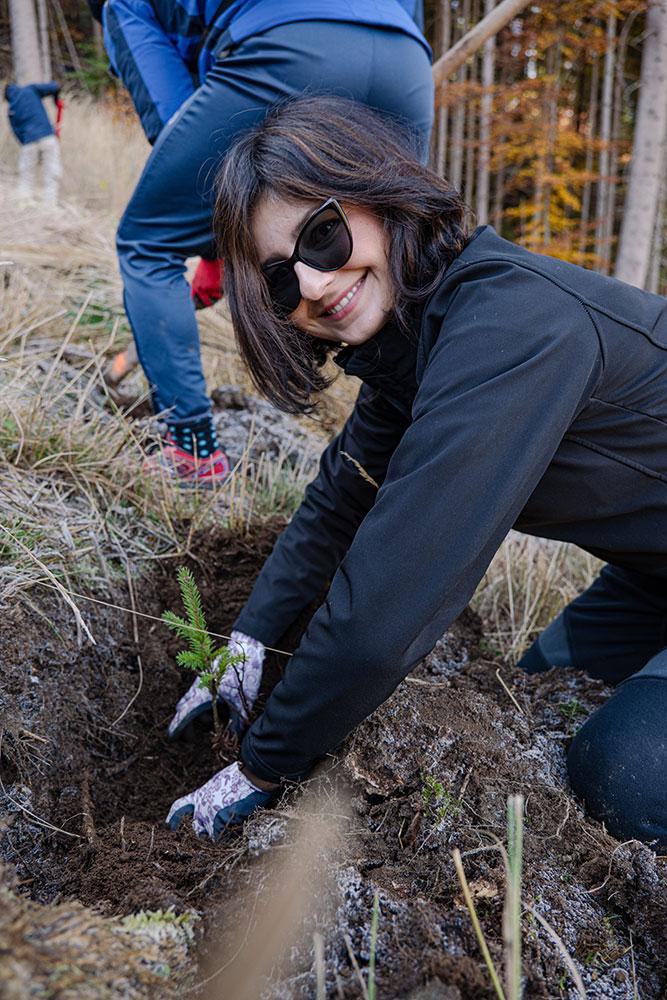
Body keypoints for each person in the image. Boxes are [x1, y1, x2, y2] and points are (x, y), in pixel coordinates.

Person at [165, 95, 667, 848]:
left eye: (322, 236)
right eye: (276, 281)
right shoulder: (413, 350)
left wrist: (262, 767)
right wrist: (248, 644)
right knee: (527, 697)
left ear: (380, 194)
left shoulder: (509, 326)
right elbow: (339, 503)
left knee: (625, 777)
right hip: (650, 575)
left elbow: (388, 604)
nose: (308, 285)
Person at [90, 0, 433, 486]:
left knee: (148, 243)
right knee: (395, 252)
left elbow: (172, 118)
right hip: (406, 57)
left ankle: (191, 449)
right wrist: (222, 247)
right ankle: (420, 455)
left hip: (287, 44)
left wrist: (215, 227)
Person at [5, 82, 63, 204]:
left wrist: (28, 143)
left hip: (28, 143)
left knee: (27, 175)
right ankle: (50, 205)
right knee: (51, 172)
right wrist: (56, 100)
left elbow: (17, 134)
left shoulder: (11, 110)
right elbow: (55, 86)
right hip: (48, 137)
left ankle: (24, 203)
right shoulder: (30, 90)